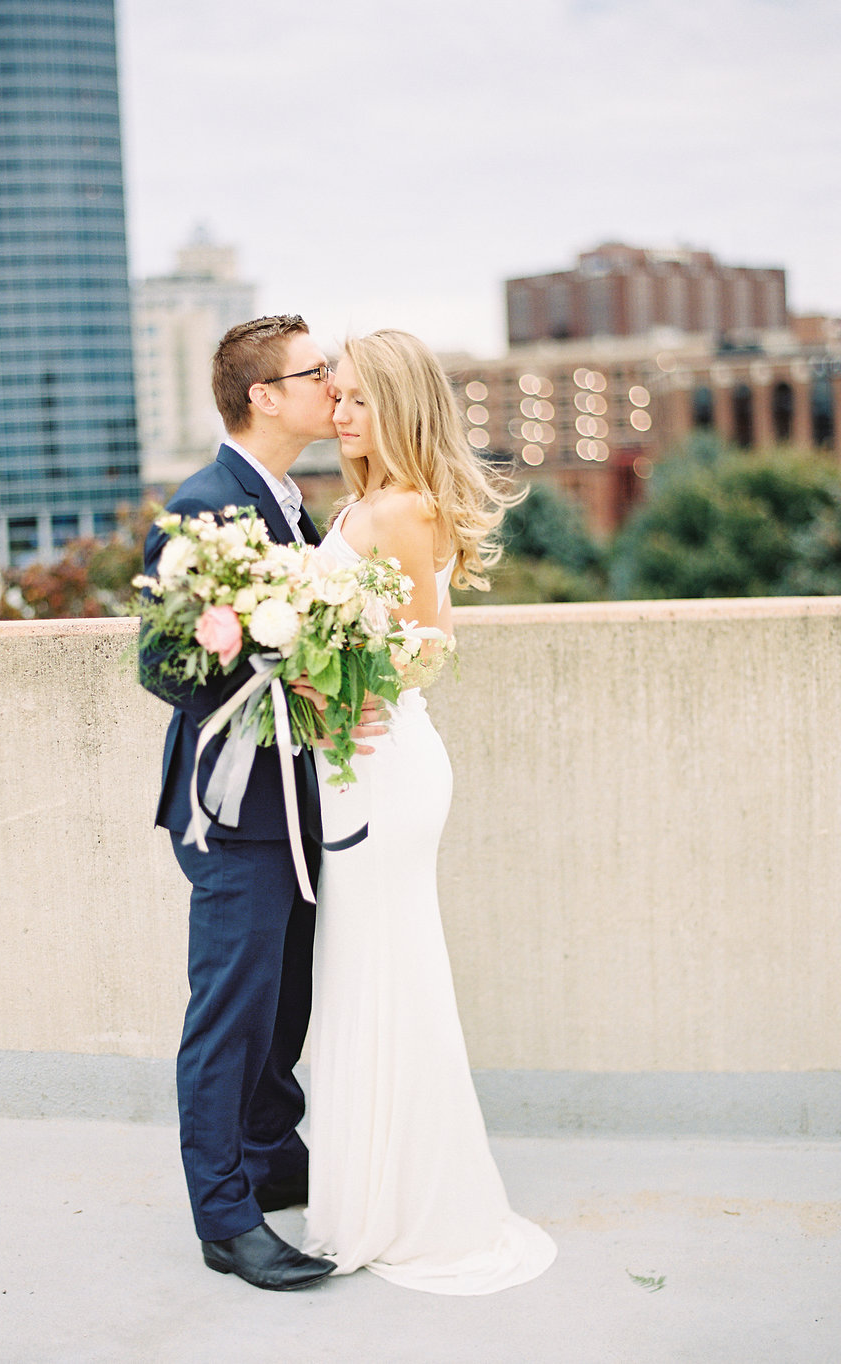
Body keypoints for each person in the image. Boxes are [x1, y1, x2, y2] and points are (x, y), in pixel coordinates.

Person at [302, 330, 558, 1293]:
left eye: (361, 398)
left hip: (386, 765)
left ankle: (413, 1203)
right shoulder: (367, 502)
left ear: (402, 405)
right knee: (364, 975)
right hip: (351, 767)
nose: (342, 413)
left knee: (390, 975)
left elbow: (430, 646)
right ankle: (372, 1187)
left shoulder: (403, 508)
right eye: (337, 397)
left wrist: (340, 688)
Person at [139, 315, 373, 1292]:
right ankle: (225, 1215)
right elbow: (161, 662)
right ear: (264, 396)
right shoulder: (200, 510)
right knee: (231, 1012)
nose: (333, 385)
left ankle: (274, 1154)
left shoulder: (287, 501)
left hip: (297, 803)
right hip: (234, 811)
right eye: (316, 372)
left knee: (287, 1001)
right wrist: (274, 665)